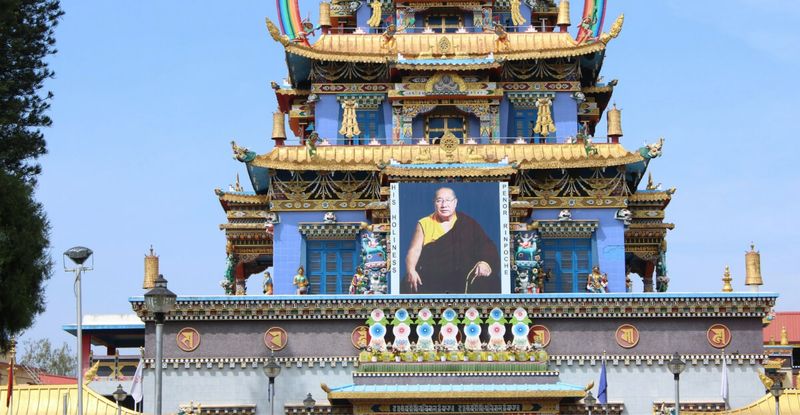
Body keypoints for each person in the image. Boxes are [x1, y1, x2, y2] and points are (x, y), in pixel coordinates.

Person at [405, 187, 500, 293]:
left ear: (455, 202)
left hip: (462, 275)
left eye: (448, 200)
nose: (444, 205)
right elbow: (414, 250)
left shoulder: (467, 223)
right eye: (439, 200)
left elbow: (485, 245)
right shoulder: (424, 223)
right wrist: (411, 270)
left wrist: (485, 263)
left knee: (490, 282)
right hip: (432, 277)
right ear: (434, 203)